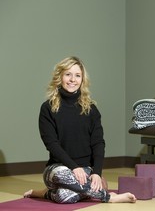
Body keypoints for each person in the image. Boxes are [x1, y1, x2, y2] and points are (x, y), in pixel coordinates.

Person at [24, 56, 136, 204]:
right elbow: (51, 144)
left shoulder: (91, 109)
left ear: (82, 80)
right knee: (62, 175)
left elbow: (98, 143)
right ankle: (108, 197)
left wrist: (96, 173)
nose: (72, 79)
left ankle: (43, 193)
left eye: (77, 75)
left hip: (85, 170)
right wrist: (74, 168)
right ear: (60, 77)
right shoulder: (47, 108)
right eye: (68, 74)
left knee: (65, 196)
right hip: (58, 169)